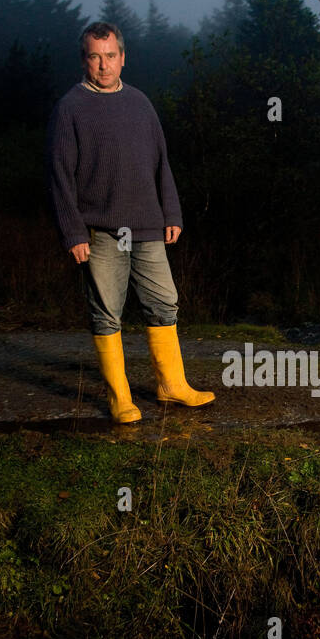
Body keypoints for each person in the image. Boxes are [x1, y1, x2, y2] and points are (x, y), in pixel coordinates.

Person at [45, 21, 214, 422]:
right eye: (94, 56)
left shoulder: (140, 103)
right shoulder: (70, 107)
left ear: (123, 57)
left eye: (110, 56)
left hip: (147, 226)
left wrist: (171, 212)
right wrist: (72, 231)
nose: (103, 65)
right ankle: (120, 397)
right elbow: (59, 175)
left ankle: (171, 386)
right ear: (84, 59)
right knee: (107, 312)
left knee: (164, 303)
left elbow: (161, 163)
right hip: (99, 229)